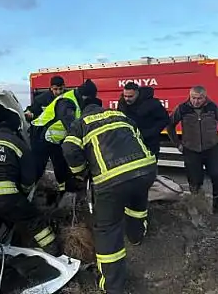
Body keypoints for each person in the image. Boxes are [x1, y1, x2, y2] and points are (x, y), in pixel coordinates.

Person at [62, 97, 158, 294]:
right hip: (145, 170)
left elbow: (69, 148)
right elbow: (137, 137)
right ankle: (136, 237)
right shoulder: (120, 115)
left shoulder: (81, 123)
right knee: (137, 207)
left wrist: (80, 171)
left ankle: (113, 286)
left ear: (84, 111)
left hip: (111, 179)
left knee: (107, 229)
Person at [0, 104, 62, 276]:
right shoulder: (17, 143)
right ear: (15, 128)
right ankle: (58, 255)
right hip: (6, 198)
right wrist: (21, 193)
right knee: (34, 221)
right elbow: (29, 177)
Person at [167, 86, 218, 214]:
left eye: (199, 98)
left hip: (212, 149)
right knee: (195, 182)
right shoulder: (182, 108)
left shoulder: (213, 108)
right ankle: (200, 210)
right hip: (191, 150)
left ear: (205, 97)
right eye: (193, 98)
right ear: (190, 96)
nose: (196, 101)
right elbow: (170, 125)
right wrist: (178, 144)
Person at [30, 79, 98, 194]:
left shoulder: (74, 99)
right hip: (41, 136)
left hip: (54, 139)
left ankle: (63, 189)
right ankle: (28, 191)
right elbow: (71, 126)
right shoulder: (67, 102)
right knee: (38, 167)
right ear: (85, 96)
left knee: (61, 164)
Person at [117, 82, 170, 158]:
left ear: (137, 93)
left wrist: (150, 133)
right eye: (125, 96)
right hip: (129, 143)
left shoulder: (152, 104)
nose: (127, 99)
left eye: (130, 96)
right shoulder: (122, 103)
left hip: (149, 143)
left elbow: (164, 120)